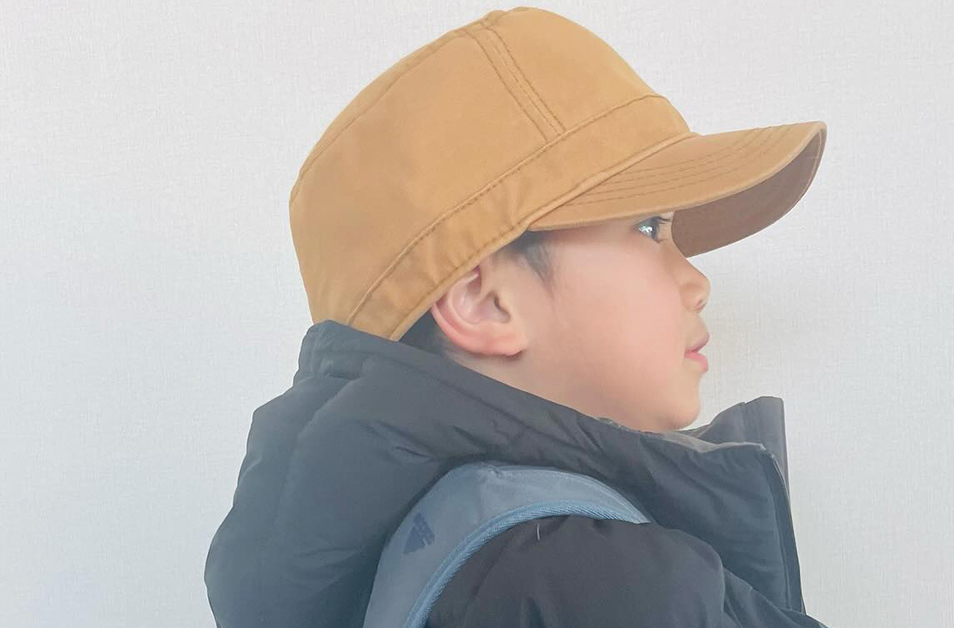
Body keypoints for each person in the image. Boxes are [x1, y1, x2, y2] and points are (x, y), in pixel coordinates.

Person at [205, 6, 829, 627]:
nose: (698, 282)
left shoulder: (461, 547)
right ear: (486, 303)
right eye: (648, 228)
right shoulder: (589, 581)